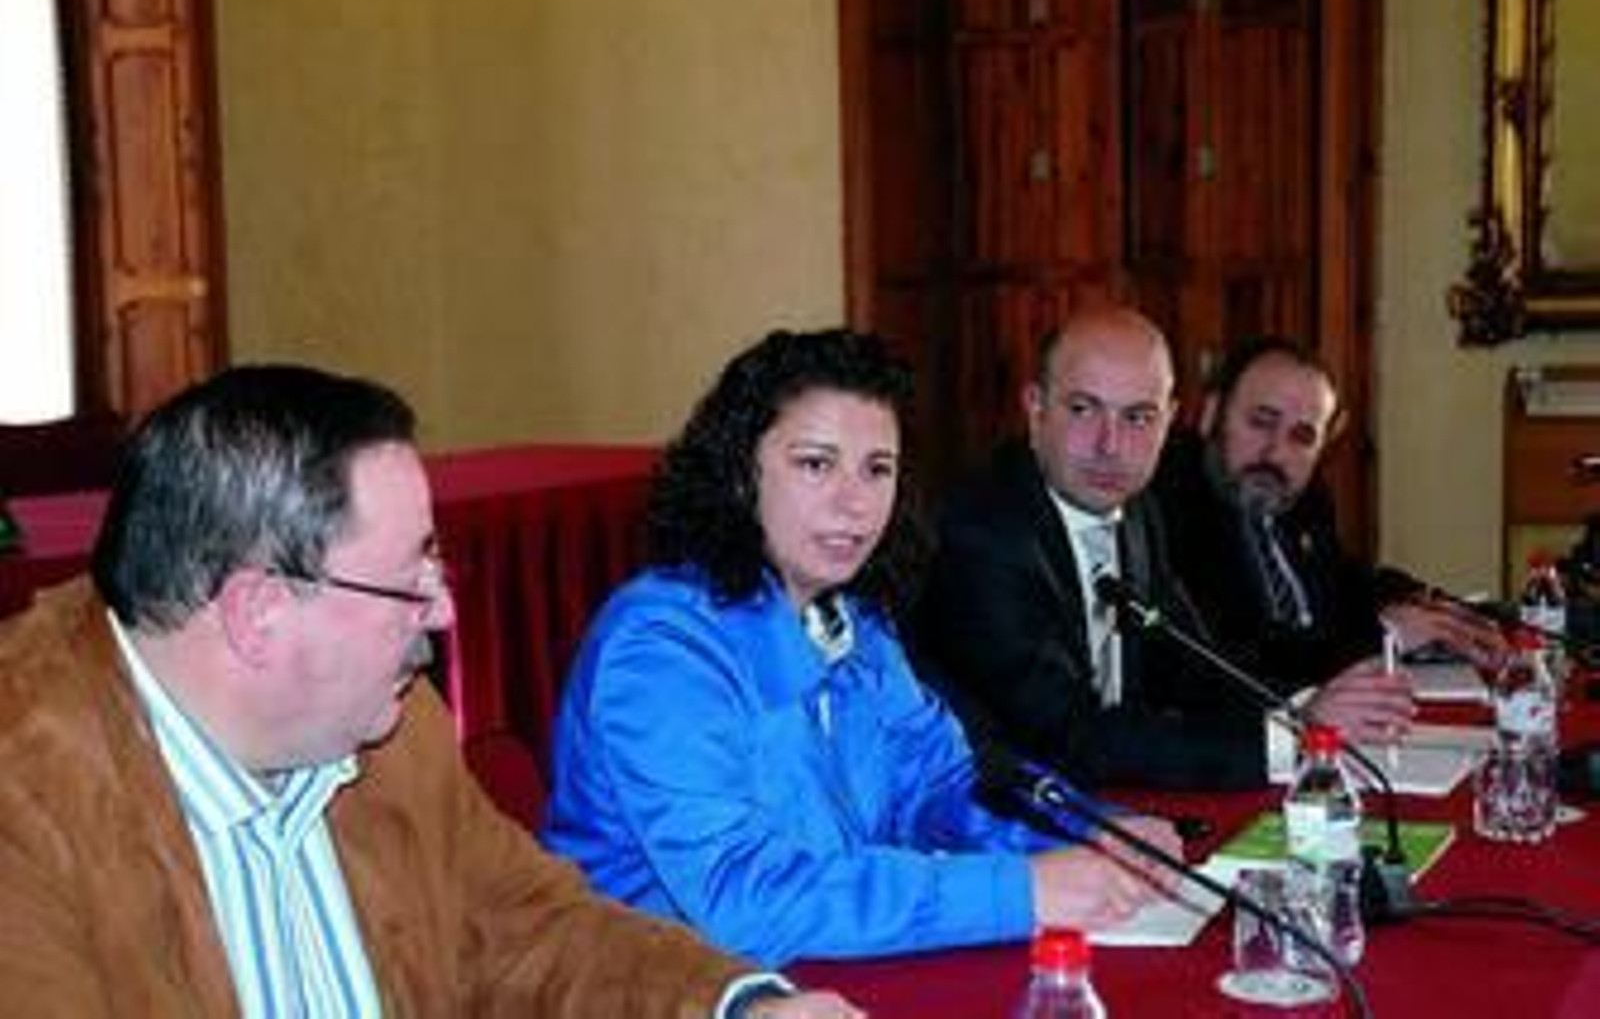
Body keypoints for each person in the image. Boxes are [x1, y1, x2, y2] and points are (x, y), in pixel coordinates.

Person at [0, 365, 856, 1018]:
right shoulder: (26, 796)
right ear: (257, 613)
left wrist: (740, 1005)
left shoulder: (380, 724)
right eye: (408, 577)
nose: (443, 611)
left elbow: (525, 927)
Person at [542, 328, 1178, 968]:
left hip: (828, 977)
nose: (854, 504)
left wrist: (1087, 829)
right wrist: (1021, 890)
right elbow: (744, 897)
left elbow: (943, 786)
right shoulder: (660, 651)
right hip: (669, 991)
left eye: (877, 470)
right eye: (816, 464)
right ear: (739, 471)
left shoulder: (853, 622)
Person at [912, 305, 1269, 791]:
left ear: (1170, 420)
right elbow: (1068, 739)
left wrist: (1303, 715)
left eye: (1139, 418)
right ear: (1035, 409)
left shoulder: (1138, 511)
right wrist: (1277, 749)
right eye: (1083, 409)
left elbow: (1196, 670)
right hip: (1004, 820)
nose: (1110, 445)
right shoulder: (983, 531)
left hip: (1113, 799)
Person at [1151, 336, 1504, 741]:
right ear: (1211, 414)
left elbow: (1348, 581)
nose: (1276, 451)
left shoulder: (1302, 495)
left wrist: (1442, 611)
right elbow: (1240, 657)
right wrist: (1384, 635)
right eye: (1261, 422)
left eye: (1302, 436)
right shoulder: (1170, 505)